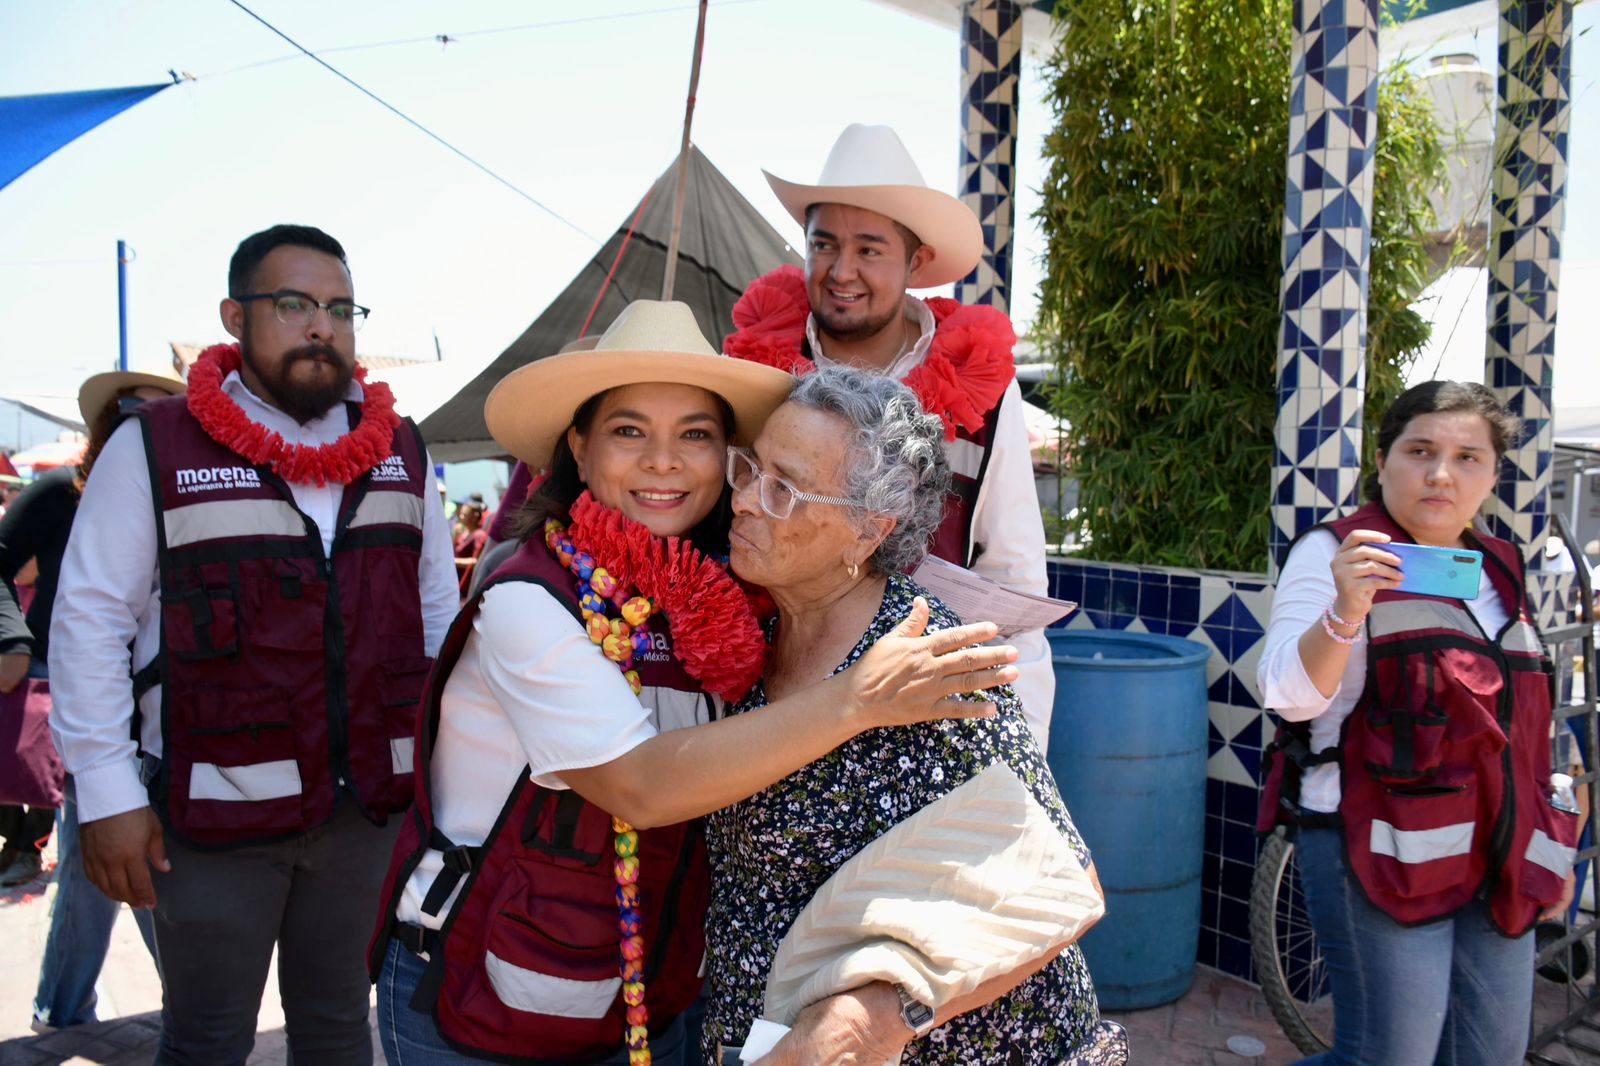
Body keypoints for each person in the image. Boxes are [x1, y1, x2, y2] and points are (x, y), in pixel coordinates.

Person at [369, 301, 1020, 1066]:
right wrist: (857, 699)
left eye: (697, 436)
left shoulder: (728, 598)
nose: (663, 461)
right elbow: (640, 786)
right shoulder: (526, 600)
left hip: (649, 996)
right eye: (628, 431)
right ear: (577, 445)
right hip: (483, 998)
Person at [50, 224, 459, 1065]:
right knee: (206, 1040)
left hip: (366, 816)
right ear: (235, 316)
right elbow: (89, 619)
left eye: (342, 308)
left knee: (339, 1026)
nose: (323, 326)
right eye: (295, 304)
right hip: (210, 816)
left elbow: (436, 618)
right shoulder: (154, 446)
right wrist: (107, 792)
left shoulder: (401, 450)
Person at [702, 365, 1125, 1064]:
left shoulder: (929, 658)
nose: (745, 499)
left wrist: (875, 1020)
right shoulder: (752, 642)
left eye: (782, 487)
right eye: (748, 469)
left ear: (869, 530)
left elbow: (1066, 885)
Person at [1256, 380, 1579, 1065]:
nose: (1441, 473)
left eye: (1468, 457)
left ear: (1492, 474)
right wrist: (1345, 610)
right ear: (1383, 459)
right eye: (1421, 450)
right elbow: (1287, 696)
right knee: (1389, 1055)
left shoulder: (1500, 568)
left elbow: (1526, 725)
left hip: (1499, 853)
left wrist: (1553, 849)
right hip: (1380, 850)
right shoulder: (1335, 553)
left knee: (1487, 1055)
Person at [725, 123, 1056, 748]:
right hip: (761, 707)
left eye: (870, 250)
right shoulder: (756, 368)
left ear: (918, 261)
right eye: (823, 244)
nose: (841, 270)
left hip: (922, 725)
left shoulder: (981, 390)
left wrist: (1023, 762)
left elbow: (1014, 585)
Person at [5, 370, 182, 1029]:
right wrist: (14, 640)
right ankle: (72, 1006)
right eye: (134, 410)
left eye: (167, 411)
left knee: (116, 863)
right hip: (82, 693)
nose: (150, 421)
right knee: (111, 856)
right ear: (108, 421)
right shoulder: (62, 492)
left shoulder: (180, 493)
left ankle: (68, 1004)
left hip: (160, 707)